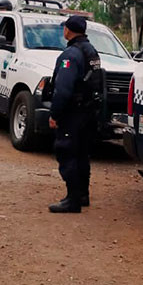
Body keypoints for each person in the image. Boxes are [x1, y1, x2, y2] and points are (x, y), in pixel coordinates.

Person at [47, 15, 104, 213]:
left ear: (68, 30)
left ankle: (72, 200)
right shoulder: (91, 51)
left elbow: (63, 89)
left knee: (67, 152)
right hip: (89, 112)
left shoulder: (70, 55)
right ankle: (82, 195)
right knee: (82, 154)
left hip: (73, 114)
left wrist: (54, 114)